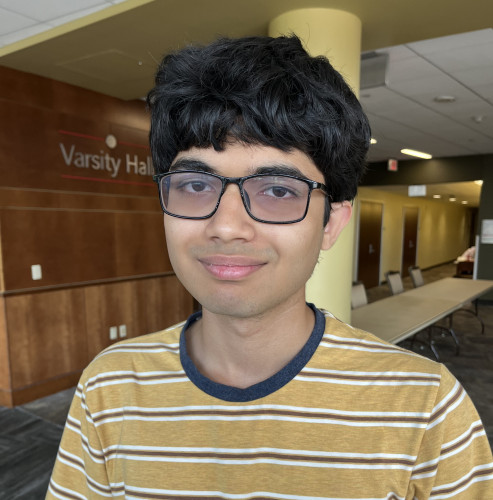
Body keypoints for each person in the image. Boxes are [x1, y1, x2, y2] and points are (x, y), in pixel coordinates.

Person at [47, 35, 493, 499]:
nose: (226, 227)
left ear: (330, 224)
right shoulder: (110, 386)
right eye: (196, 184)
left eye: (278, 190)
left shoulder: (425, 406)